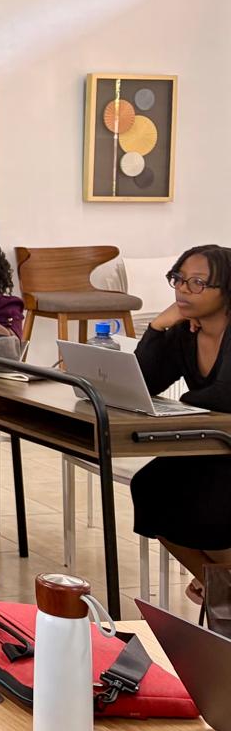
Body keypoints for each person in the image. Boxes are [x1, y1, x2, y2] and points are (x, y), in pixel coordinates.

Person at [129, 245, 231, 607]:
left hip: (223, 446)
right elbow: (142, 381)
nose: (184, 290)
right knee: (150, 485)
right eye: (179, 279)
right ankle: (219, 586)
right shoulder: (186, 334)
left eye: (198, 283)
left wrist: (186, 401)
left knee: (214, 503)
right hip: (215, 443)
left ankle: (223, 592)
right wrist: (157, 327)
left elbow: (224, 395)